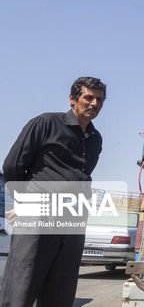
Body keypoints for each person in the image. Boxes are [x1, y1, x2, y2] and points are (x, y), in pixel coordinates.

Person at [0, 76, 106, 307]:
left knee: (62, 288)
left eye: (99, 99)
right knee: (23, 283)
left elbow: (83, 173)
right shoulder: (46, 123)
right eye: (89, 97)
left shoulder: (95, 139)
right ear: (72, 99)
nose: (94, 104)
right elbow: (13, 164)